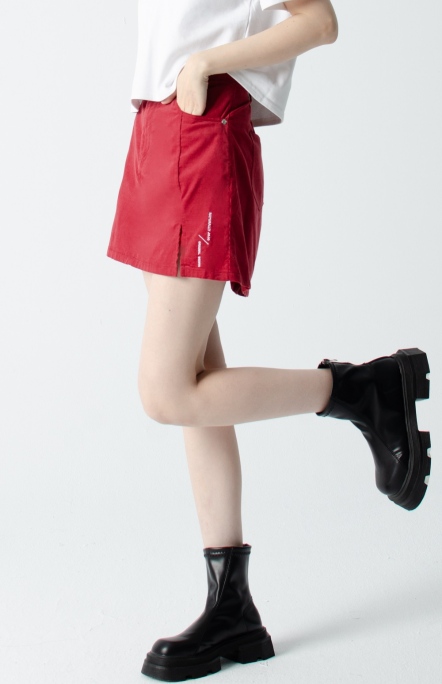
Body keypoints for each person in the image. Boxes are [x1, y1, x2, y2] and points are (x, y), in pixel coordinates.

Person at [106, 1, 431, 680]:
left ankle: (360, 390)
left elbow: (320, 20)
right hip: (157, 128)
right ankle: (232, 607)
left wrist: (207, 63)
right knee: (195, 384)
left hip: (202, 129)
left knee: (166, 391)